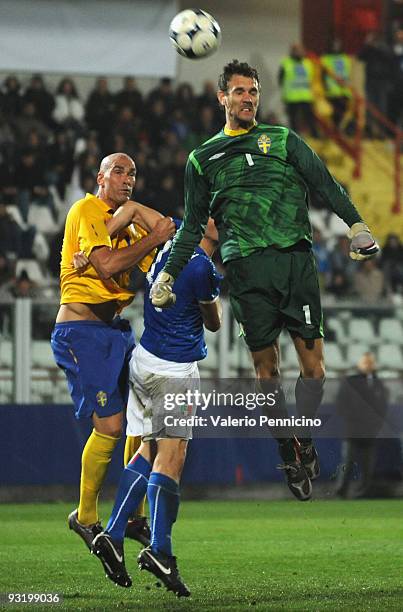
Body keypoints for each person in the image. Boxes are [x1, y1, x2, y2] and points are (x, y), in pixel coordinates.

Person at [150, 59, 379, 502]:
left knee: (314, 370)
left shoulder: (283, 140)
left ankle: (304, 438)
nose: (248, 98)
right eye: (239, 91)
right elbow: (193, 227)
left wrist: (356, 226)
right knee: (266, 373)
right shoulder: (203, 159)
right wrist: (169, 274)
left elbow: (325, 182)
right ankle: (287, 450)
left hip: (295, 262)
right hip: (247, 272)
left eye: (253, 91)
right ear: (222, 98)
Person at [88, 217, 222, 597]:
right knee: (172, 457)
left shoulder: (168, 241)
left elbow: (134, 208)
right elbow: (213, 323)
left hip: (144, 361)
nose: (220, 220)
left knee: (149, 448)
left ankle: (113, 533)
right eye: (214, 215)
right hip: (173, 371)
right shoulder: (201, 267)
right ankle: (160, 549)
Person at [50, 152, 175, 553]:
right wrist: (151, 237)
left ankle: (135, 515)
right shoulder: (88, 209)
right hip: (81, 329)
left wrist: (138, 213)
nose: (127, 178)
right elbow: (105, 266)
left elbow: (167, 235)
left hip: (115, 330)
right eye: (118, 171)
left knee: (142, 421)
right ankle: (85, 517)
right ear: (100, 178)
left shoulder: (127, 222)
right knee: (110, 426)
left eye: (133, 173)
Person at [335, 352, 389, 498]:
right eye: (365, 363)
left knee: (368, 465)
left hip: (370, 431)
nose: (368, 366)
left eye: (370, 363)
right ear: (359, 365)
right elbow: (340, 405)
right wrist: (353, 418)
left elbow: (383, 407)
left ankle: (363, 492)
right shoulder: (349, 381)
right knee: (347, 462)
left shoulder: (378, 383)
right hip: (352, 429)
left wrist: (376, 424)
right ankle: (341, 491)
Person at [278, 43, 318, 137]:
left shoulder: (307, 63)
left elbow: (312, 79)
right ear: (292, 51)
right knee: (293, 119)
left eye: (301, 50)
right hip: (291, 97)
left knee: (310, 117)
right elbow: (280, 79)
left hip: (306, 95)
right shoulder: (286, 63)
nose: (299, 52)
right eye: (297, 50)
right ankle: (295, 137)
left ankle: (315, 135)